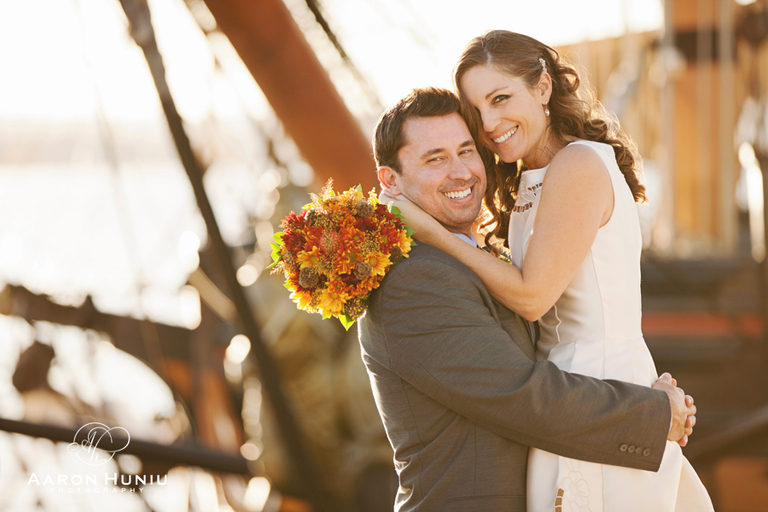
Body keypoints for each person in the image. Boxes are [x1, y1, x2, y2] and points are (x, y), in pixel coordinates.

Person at [382, 32, 713, 512]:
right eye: (477, 111)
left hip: (597, 381)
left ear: (541, 87)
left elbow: (533, 297)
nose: (490, 124)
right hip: (569, 388)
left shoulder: (577, 164)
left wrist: (433, 235)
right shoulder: (530, 179)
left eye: (501, 98)